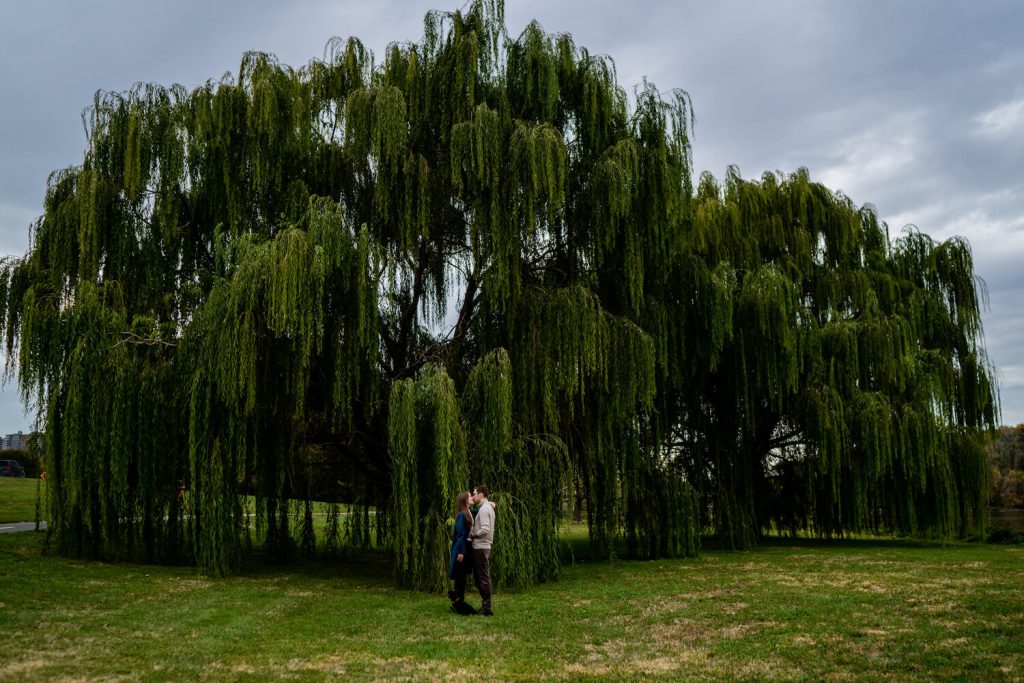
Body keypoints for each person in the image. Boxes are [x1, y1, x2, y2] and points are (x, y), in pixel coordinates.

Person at [448, 491, 476, 615]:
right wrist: (460, 552)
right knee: (460, 576)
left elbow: (479, 512)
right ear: (465, 500)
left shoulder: (469, 512)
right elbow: (459, 535)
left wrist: (490, 504)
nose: (472, 497)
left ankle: (459, 603)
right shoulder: (461, 515)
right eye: (470, 496)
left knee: (463, 575)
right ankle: (458, 604)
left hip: (467, 547)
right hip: (462, 548)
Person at [469, 485, 495, 616]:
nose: (473, 496)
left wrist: (473, 535)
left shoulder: (484, 509)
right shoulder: (486, 507)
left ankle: (487, 608)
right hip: (481, 546)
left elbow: (485, 529)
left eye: (474, 493)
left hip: (481, 546)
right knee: (480, 577)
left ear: (481, 494)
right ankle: (485, 606)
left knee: (483, 578)